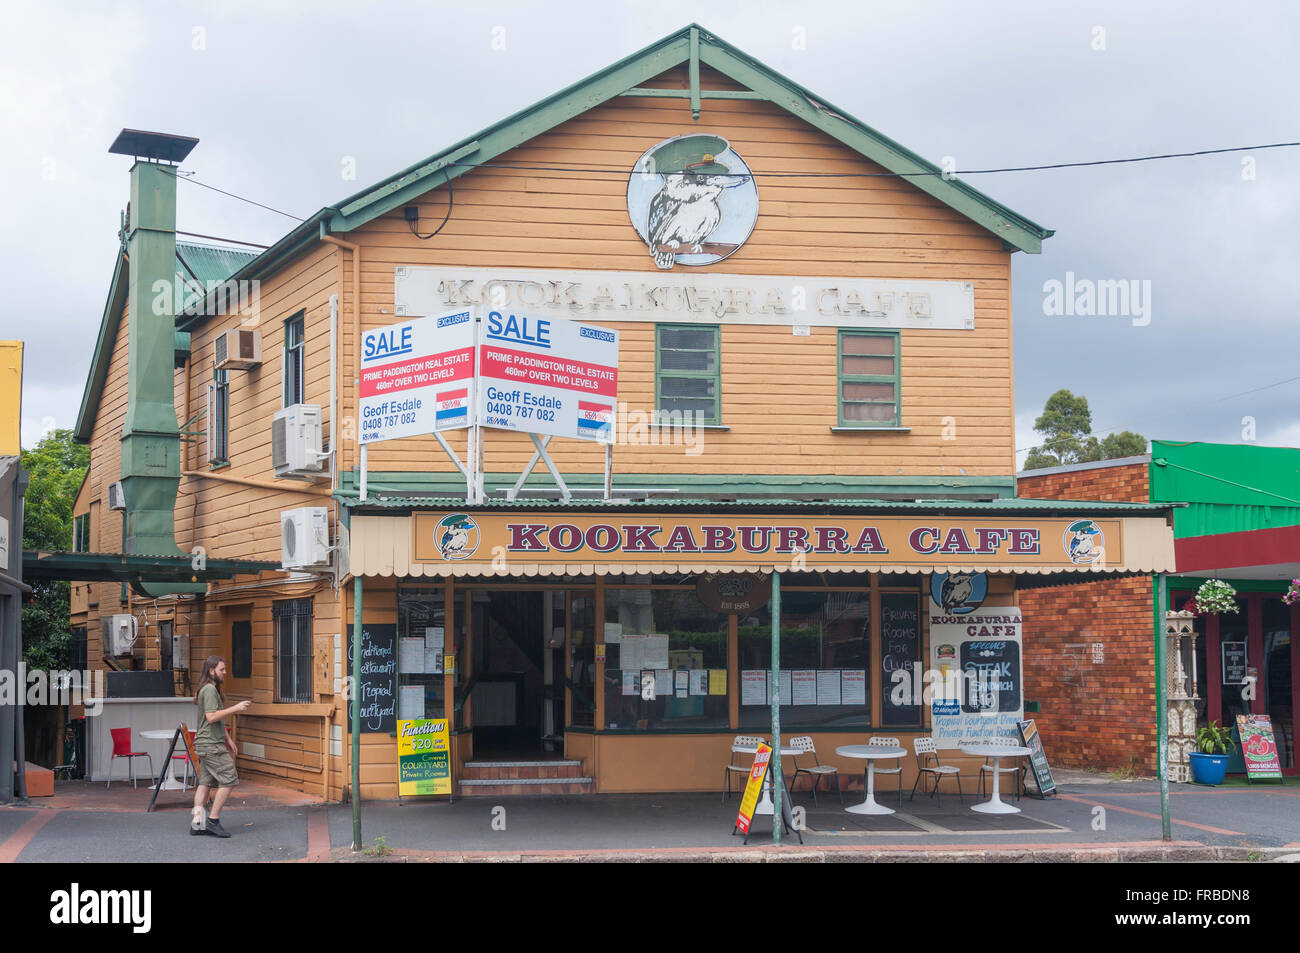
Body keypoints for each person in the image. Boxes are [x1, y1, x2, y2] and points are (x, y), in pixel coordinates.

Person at [191, 656, 250, 837]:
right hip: (210, 745)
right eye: (221, 669)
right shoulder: (209, 690)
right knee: (229, 778)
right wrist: (236, 708)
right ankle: (213, 821)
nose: (225, 673)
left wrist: (228, 739)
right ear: (211, 670)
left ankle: (197, 823)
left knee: (205, 783)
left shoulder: (210, 689)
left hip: (205, 743)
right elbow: (211, 717)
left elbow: (215, 719)